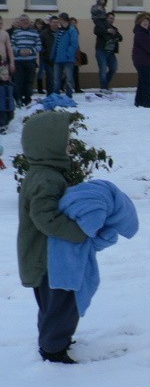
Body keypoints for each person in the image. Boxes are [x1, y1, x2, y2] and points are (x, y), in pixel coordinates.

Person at [16, 111, 88, 364]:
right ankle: (54, 350)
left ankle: (54, 340)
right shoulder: (46, 178)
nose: (71, 145)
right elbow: (44, 218)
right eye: (65, 140)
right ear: (48, 143)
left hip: (47, 256)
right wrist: (79, 233)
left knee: (52, 305)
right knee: (61, 304)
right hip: (46, 260)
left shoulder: (45, 172)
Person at [10, 14, 41, 106]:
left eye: (26, 19)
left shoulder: (35, 32)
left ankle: (27, 99)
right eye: (23, 20)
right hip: (18, 61)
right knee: (18, 81)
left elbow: (39, 46)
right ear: (19, 22)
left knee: (29, 81)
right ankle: (18, 99)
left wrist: (31, 51)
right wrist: (19, 51)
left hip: (31, 61)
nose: (25, 21)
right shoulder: (15, 33)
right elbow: (11, 46)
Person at [131, 12, 150, 108]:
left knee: (142, 81)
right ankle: (147, 103)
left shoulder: (144, 32)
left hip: (142, 60)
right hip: (142, 61)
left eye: (147, 21)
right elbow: (149, 48)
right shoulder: (141, 34)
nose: (146, 23)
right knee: (145, 82)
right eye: (143, 22)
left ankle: (139, 101)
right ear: (139, 23)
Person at [93, 11, 123, 93]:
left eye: (113, 18)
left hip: (111, 52)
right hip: (101, 51)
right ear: (106, 18)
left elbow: (120, 38)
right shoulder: (100, 26)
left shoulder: (114, 28)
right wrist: (107, 30)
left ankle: (105, 86)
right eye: (110, 18)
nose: (112, 20)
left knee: (113, 68)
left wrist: (115, 33)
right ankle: (104, 88)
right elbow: (96, 31)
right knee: (103, 69)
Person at [52, 13, 79, 98]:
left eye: (59, 19)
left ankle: (69, 96)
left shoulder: (72, 30)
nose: (58, 22)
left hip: (68, 59)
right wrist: (53, 55)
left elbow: (74, 44)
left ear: (63, 20)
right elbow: (56, 44)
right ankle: (56, 95)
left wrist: (68, 54)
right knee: (56, 79)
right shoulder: (59, 30)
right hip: (58, 58)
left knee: (69, 79)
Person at [40, 16, 59, 95]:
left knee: (58, 78)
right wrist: (44, 56)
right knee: (50, 78)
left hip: (59, 59)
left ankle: (57, 94)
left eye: (57, 22)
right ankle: (50, 94)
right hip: (48, 60)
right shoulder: (44, 33)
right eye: (53, 22)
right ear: (50, 23)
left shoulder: (61, 32)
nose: (55, 24)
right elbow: (41, 46)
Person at [0, 66, 15, 134]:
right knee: (2, 117)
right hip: (1, 106)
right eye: (3, 74)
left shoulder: (11, 84)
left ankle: (5, 124)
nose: (5, 76)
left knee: (11, 116)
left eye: (7, 74)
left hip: (10, 105)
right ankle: (2, 127)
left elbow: (15, 93)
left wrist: (18, 99)